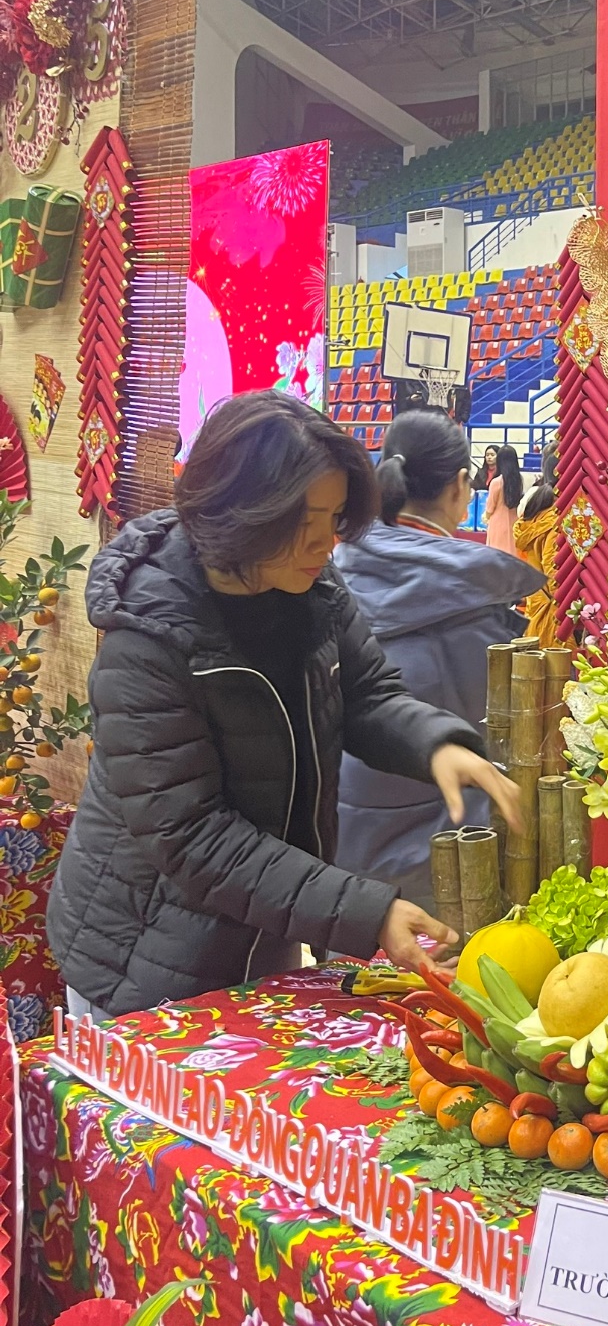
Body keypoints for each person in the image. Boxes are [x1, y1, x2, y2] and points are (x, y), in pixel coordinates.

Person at [48, 391, 522, 1018]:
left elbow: (367, 693)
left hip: (262, 922)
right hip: (143, 955)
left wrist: (435, 745)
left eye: (335, 518)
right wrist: (366, 911)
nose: (328, 542)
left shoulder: (310, 583)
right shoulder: (147, 638)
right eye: (306, 522)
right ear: (242, 512)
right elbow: (192, 836)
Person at [336, 408, 542, 905]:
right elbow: (498, 737)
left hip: (340, 842)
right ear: (460, 485)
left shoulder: (329, 573)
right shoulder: (470, 600)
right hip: (444, 856)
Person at [514, 446, 560, 646]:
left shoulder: (537, 507)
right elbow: (553, 569)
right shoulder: (555, 519)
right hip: (554, 607)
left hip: (536, 597)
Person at [484, 444, 523, 556]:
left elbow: (490, 508)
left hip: (497, 524)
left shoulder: (496, 482)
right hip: (514, 523)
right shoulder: (519, 480)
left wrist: (485, 517)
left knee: (497, 556)